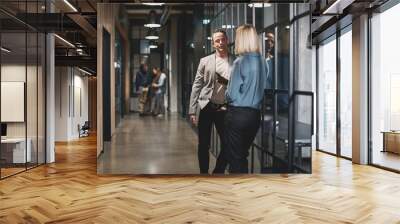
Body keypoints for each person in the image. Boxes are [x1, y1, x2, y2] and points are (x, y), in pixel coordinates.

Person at [188, 28, 235, 174]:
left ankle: (218, 172)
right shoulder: (205, 61)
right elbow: (197, 85)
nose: (220, 43)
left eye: (222, 39)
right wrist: (192, 110)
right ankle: (204, 174)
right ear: (213, 44)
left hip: (225, 108)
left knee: (228, 144)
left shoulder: (235, 61)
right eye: (217, 41)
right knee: (203, 144)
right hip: (206, 106)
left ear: (227, 40)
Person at [224, 24, 268, 174]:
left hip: (237, 115)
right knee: (242, 154)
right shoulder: (263, 62)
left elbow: (232, 95)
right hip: (255, 116)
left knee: (235, 158)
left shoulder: (239, 62)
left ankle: (237, 192)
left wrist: (226, 93)